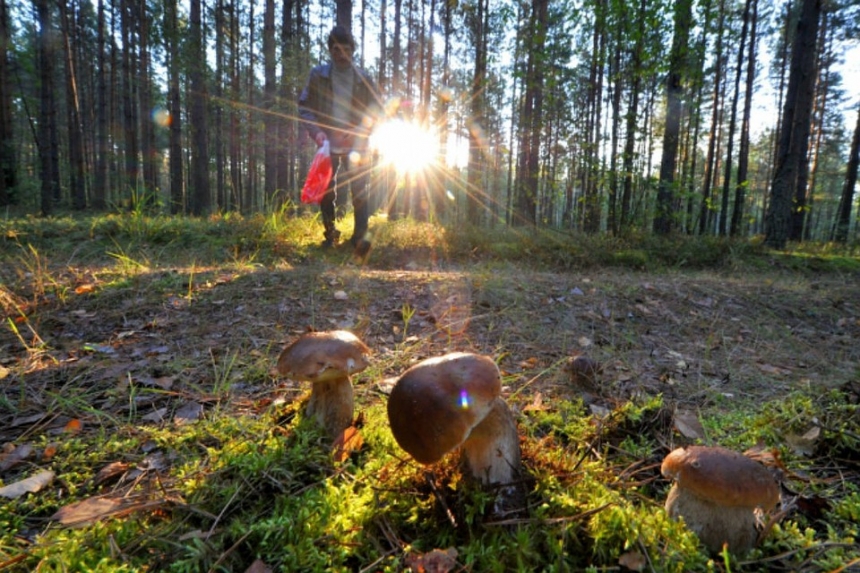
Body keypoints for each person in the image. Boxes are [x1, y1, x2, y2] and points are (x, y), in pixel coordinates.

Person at [298, 25, 381, 255]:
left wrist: (359, 129)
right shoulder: (318, 75)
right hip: (328, 147)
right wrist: (317, 132)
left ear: (352, 50)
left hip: (358, 145)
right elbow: (304, 107)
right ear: (330, 50)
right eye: (336, 49)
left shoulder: (363, 78)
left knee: (360, 191)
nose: (341, 53)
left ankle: (360, 239)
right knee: (326, 191)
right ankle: (330, 235)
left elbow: (378, 110)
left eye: (345, 49)